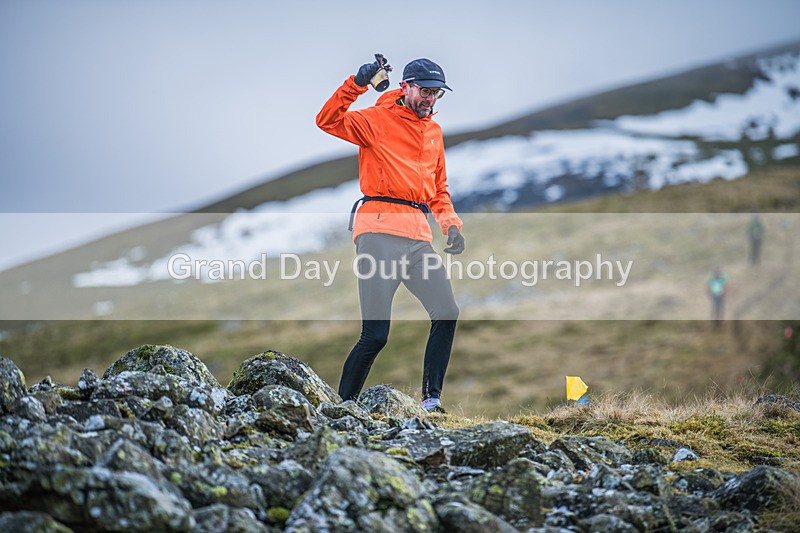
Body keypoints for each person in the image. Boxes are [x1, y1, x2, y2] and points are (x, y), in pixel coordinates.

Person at [316, 56, 464, 413]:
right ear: (406, 86)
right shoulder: (376, 120)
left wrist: (451, 224)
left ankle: (431, 401)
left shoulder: (434, 133)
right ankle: (343, 408)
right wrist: (358, 83)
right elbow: (327, 121)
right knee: (376, 335)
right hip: (378, 232)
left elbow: (438, 188)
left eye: (436, 94)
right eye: (425, 92)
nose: (430, 99)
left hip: (417, 237)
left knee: (446, 312)